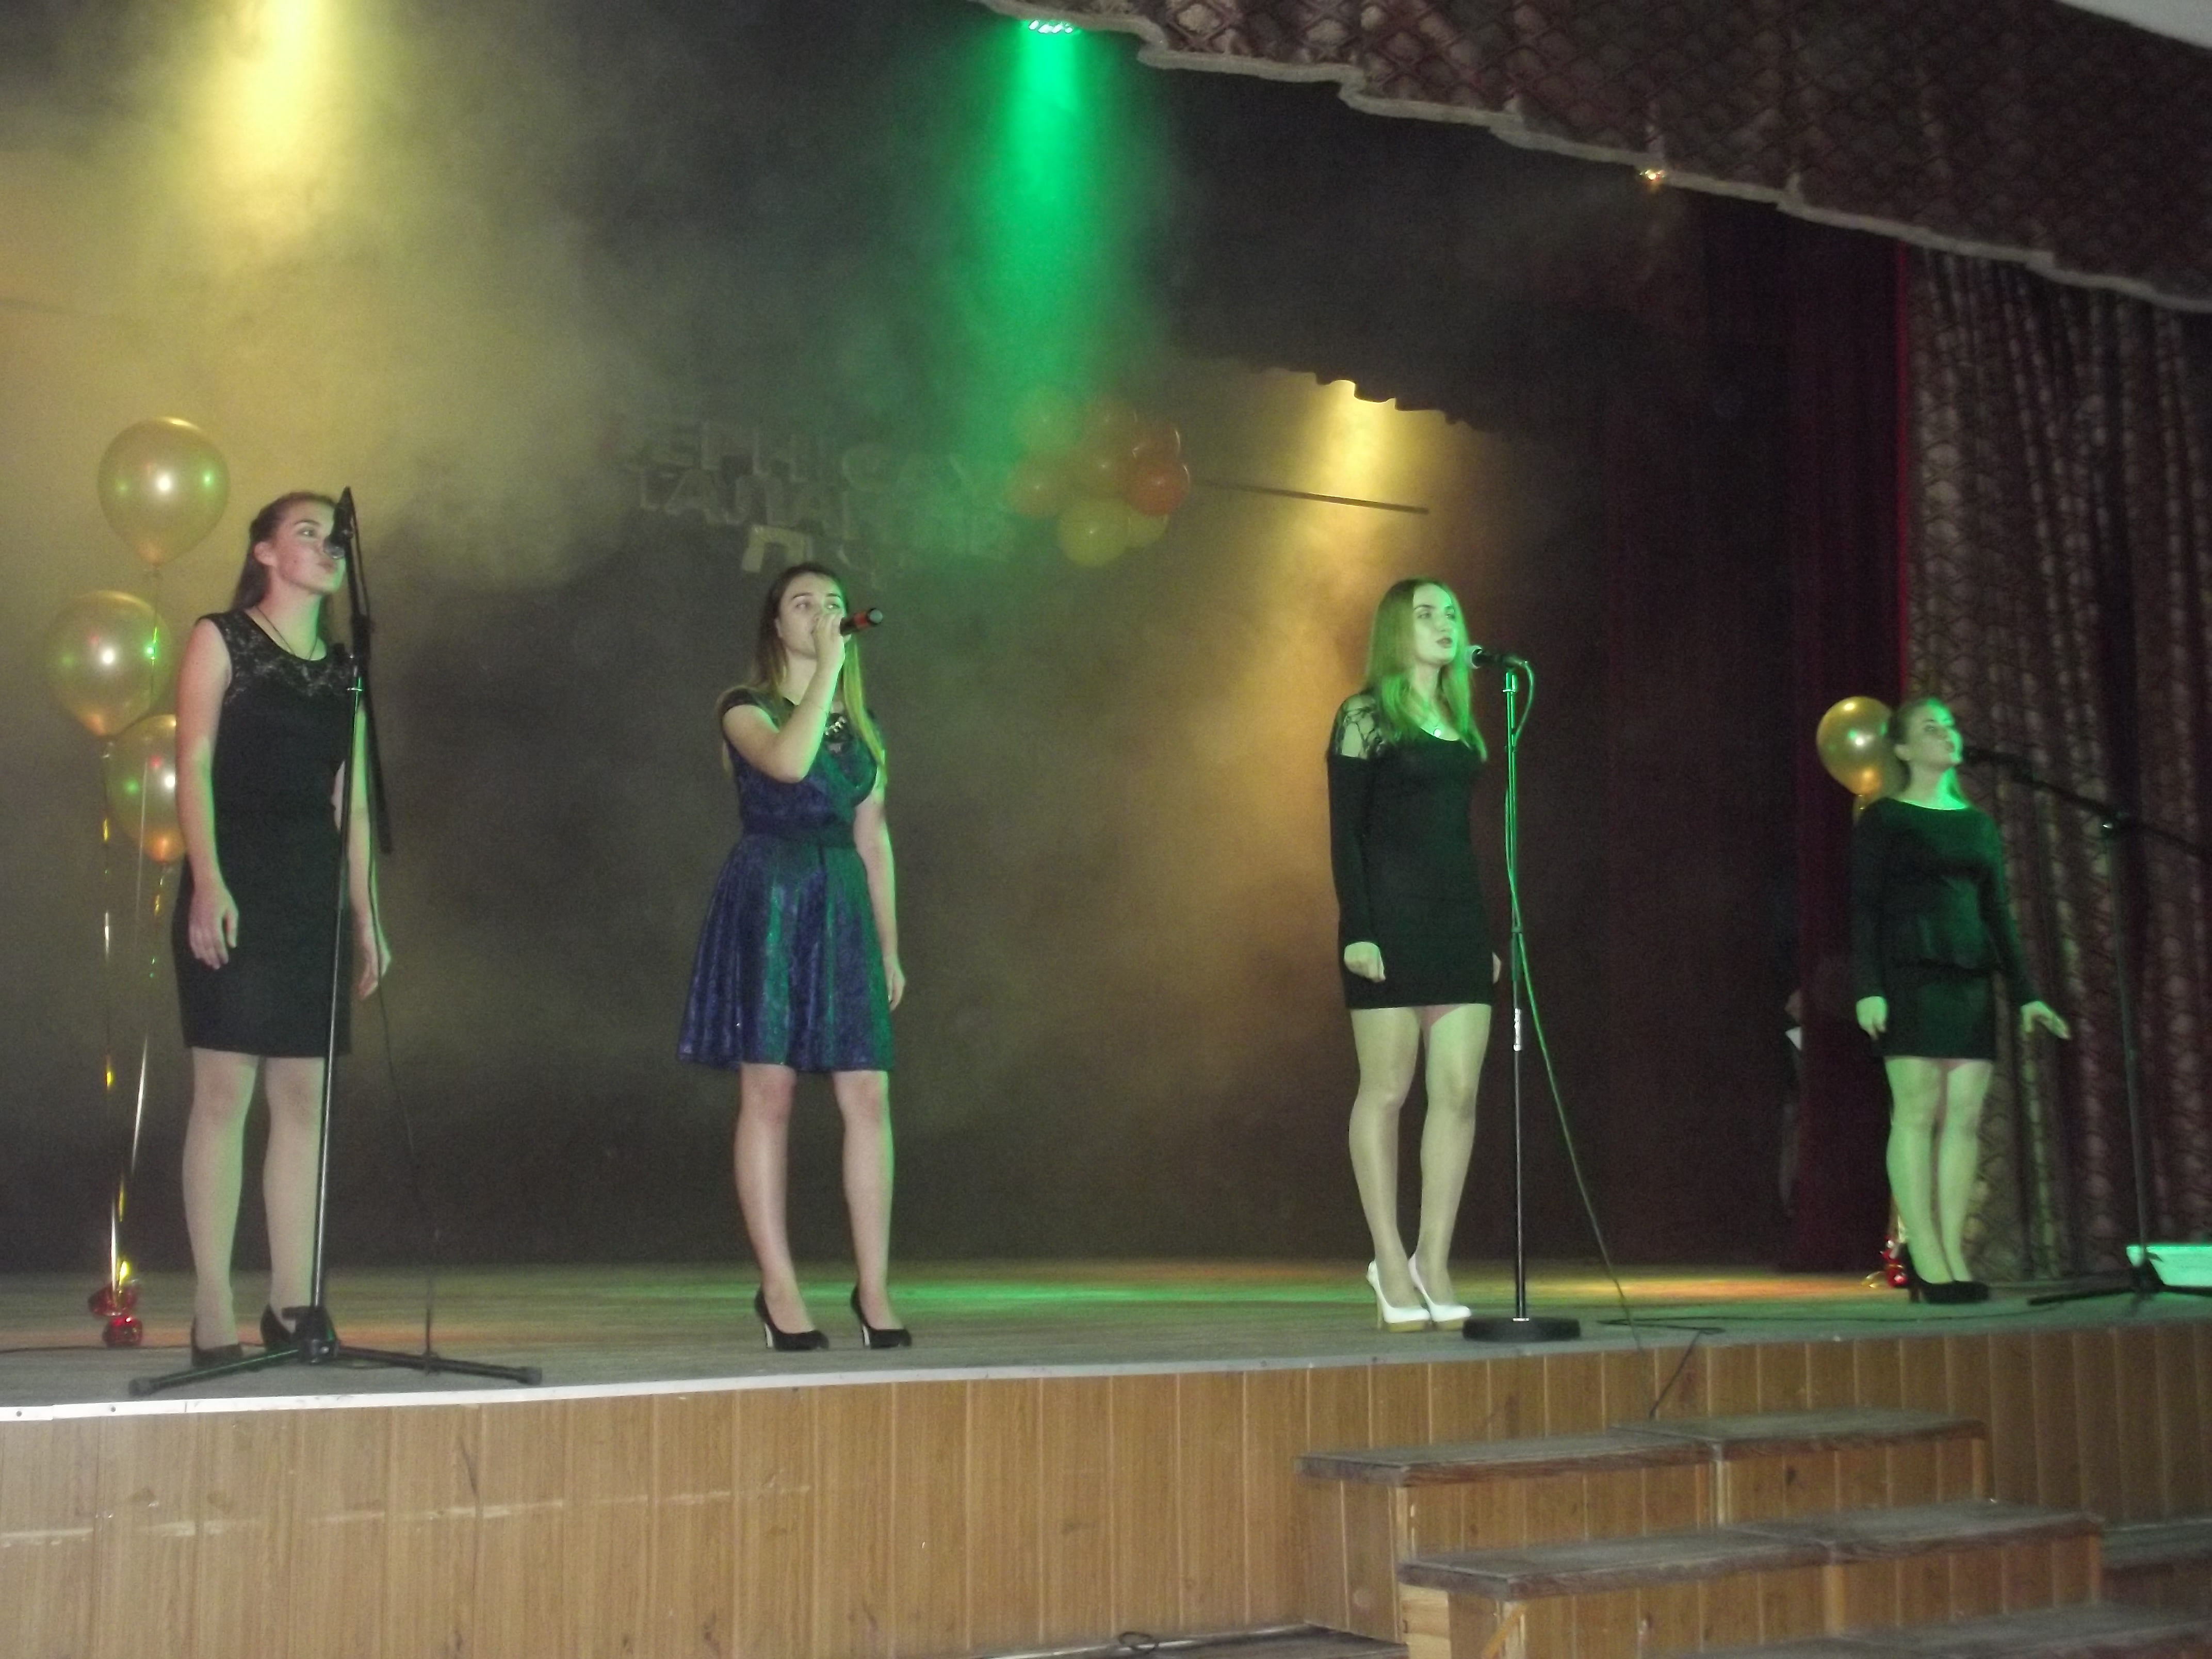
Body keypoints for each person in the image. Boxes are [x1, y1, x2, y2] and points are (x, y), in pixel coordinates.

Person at [172, 493, 389, 1365]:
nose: (327, 545)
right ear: (264, 551)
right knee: (224, 1093)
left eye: (334, 536)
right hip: (235, 876)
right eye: (307, 532)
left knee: (304, 1100)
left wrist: (367, 916)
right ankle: (211, 1302)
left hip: (308, 893)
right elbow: (192, 761)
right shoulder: (221, 638)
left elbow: (352, 802)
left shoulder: (345, 670)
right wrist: (207, 880)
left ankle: (294, 1300)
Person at [679, 562, 908, 1351]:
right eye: (803, 604)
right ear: (776, 626)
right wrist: (826, 675)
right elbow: (787, 763)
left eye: (833, 603)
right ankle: (778, 1287)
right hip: (772, 896)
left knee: (868, 1095)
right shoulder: (744, 707)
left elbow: (873, 840)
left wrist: (889, 947)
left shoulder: (866, 726)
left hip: (841, 901)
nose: (822, 614)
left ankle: (874, 1287)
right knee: (770, 1093)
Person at [1851, 696, 2069, 1303]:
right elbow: (1863, 909)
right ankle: (1923, 1252)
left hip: (1969, 978)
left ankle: (1951, 1252)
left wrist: (2025, 995)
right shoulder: (1885, 819)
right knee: (1916, 1113)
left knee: (1964, 1119)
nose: (1945, 734)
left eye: (1948, 726)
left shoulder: (1977, 824)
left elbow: (1997, 912)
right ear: (1901, 748)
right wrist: (1868, 987)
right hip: (1909, 975)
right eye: (1929, 728)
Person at [1327, 577, 1499, 1332]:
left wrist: (1483, 936)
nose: (1444, 623)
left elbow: (1456, 840)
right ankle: (1389, 1260)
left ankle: (1434, 1257)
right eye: (1427, 613)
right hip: (1389, 922)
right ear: (1398, 629)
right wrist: (1358, 930)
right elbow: (1346, 833)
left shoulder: (1461, 722)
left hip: (1456, 923)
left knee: (1457, 1093)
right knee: (1388, 1090)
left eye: (1452, 612)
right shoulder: (1364, 716)